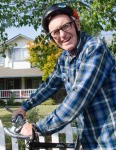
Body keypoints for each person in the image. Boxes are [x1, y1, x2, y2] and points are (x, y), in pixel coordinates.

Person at [12, 3, 116, 149]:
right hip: (89, 140)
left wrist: (37, 128)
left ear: (77, 24)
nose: (62, 35)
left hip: (110, 139)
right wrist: (24, 107)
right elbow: (49, 86)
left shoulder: (94, 48)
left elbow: (79, 95)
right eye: (55, 32)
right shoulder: (64, 59)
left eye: (66, 26)